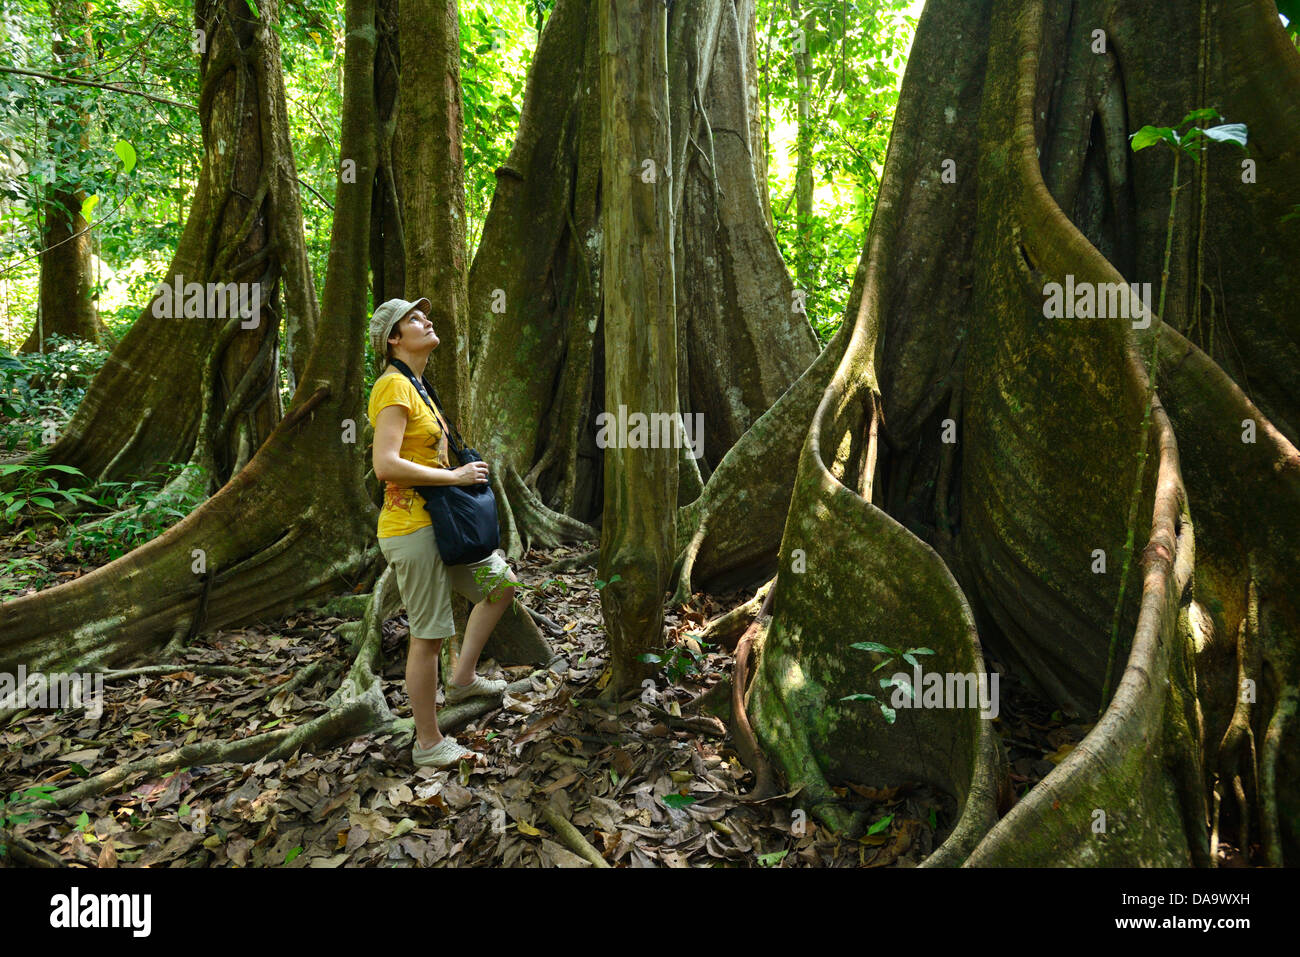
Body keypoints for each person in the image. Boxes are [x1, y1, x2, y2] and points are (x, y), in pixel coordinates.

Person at [367, 297, 520, 769]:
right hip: (411, 529)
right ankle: (429, 744)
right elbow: (384, 464)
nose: (426, 321)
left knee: (500, 586)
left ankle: (464, 678)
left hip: (442, 524)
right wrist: (455, 478)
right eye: (414, 319)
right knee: (428, 636)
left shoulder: (418, 386)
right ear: (394, 338)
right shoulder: (393, 387)